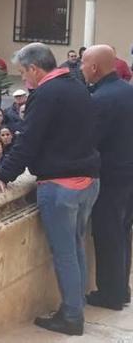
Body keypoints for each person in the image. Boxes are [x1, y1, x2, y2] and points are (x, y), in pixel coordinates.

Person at [0, 43, 100, 336]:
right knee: (76, 247)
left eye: (23, 73)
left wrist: (3, 175)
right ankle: (76, 307)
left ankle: (72, 318)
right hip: (89, 181)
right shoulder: (76, 85)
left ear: (35, 69)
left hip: (61, 186)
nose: (23, 80)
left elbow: (28, 140)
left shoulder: (45, 94)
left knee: (66, 254)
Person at [80, 45, 133, 311]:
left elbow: (89, 141)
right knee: (123, 232)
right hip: (129, 175)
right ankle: (122, 289)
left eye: (83, 64)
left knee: (108, 234)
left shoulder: (100, 99)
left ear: (94, 68)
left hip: (111, 177)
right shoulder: (128, 91)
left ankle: (110, 294)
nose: (81, 69)